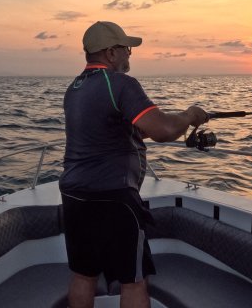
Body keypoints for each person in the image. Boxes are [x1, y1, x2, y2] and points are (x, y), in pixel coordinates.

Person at [59, 21, 209, 308]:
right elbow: (164, 130)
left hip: (75, 196)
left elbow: (110, 131)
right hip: (114, 198)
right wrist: (190, 115)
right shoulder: (121, 84)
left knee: (83, 274)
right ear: (111, 53)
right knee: (134, 280)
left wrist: (155, 125)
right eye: (126, 49)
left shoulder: (75, 89)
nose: (130, 55)